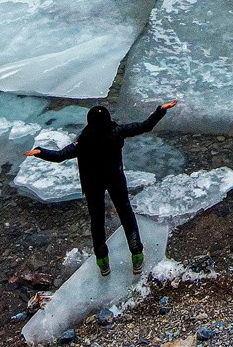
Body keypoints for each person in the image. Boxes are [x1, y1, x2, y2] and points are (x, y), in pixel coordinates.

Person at [26, 100, 178, 277]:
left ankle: (103, 263)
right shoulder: (117, 132)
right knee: (126, 215)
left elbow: (61, 156)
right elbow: (145, 126)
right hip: (115, 179)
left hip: (93, 184)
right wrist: (160, 110)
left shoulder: (84, 141)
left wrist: (40, 152)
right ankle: (136, 255)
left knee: (97, 222)